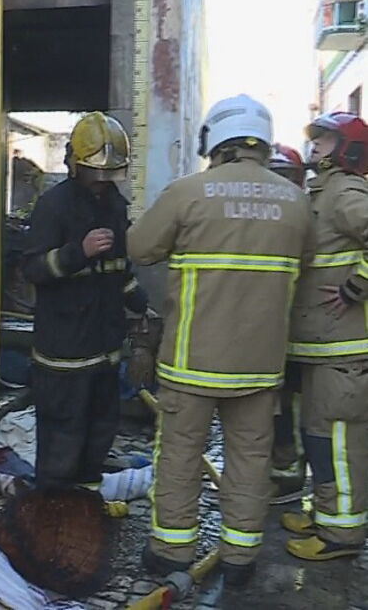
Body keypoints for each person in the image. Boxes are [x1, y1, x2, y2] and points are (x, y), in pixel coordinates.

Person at [128, 94, 313, 586]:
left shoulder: (189, 192)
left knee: (180, 456)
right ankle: (240, 559)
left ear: (213, 139)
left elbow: (140, 247)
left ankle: (171, 551)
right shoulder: (296, 201)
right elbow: (309, 261)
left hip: (192, 360)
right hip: (261, 365)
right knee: (251, 460)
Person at [22, 112, 148, 493]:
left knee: (99, 435)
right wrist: (78, 252)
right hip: (64, 354)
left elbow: (119, 267)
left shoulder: (115, 206)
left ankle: (85, 506)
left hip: (104, 350)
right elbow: (33, 268)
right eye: (96, 171)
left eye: (110, 172)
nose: (103, 180)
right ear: (75, 164)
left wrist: (137, 301)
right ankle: (52, 510)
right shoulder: (53, 207)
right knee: (62, 441)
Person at [282, 112, 368, 560]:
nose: (315, 145)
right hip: (322, 344)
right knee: (318, 436)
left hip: (344, 347)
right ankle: (325, 514)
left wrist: (356, 287)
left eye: (326, 139)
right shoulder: (324, 192)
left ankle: (343, 535)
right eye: (315, 138)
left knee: (338, 440)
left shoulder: (346, 193)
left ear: (349, 149)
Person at [267, 144, 308, 505]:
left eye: (285, 177)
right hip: (269, 330)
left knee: (291, 407)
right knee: (270, 406)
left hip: (299, 332)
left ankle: (288, 474)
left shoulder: (306, 214)